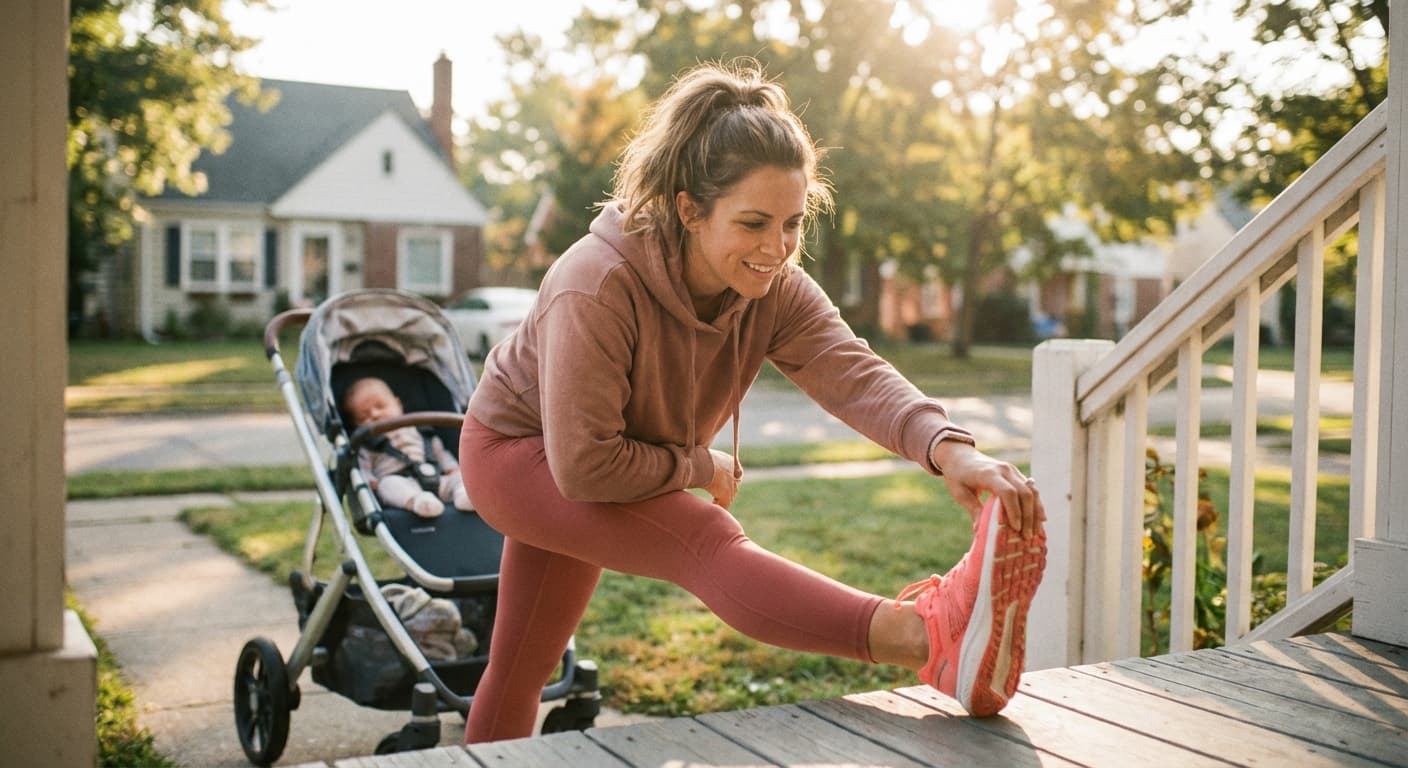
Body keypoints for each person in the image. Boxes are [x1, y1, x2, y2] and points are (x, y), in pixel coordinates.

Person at [458, 60, 1047, 743]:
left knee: (521, 666)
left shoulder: (772, 287)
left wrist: (952, 451)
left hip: (605, 459)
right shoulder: (596, 284)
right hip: (522, 457)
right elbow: (586, 468)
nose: (776, 249)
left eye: (792, 224)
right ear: (689, 210)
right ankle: (926, 638)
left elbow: (851, 369)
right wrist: (700, 467)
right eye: (754, 223)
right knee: (702, 540)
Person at [342, 376, 471, 519]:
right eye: (363, 416)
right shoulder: (368, 444)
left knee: (458, 477)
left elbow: (439, 452)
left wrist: (451, 466)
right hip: (399, 481)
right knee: (387, 486)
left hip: (436, 477)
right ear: (356, 425)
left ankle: (463, 495)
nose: (375, 414)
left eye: (380, 406)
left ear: (397, 404)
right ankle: (419, 502)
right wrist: (369, 478)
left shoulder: (420, 429)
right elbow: (362, 466)